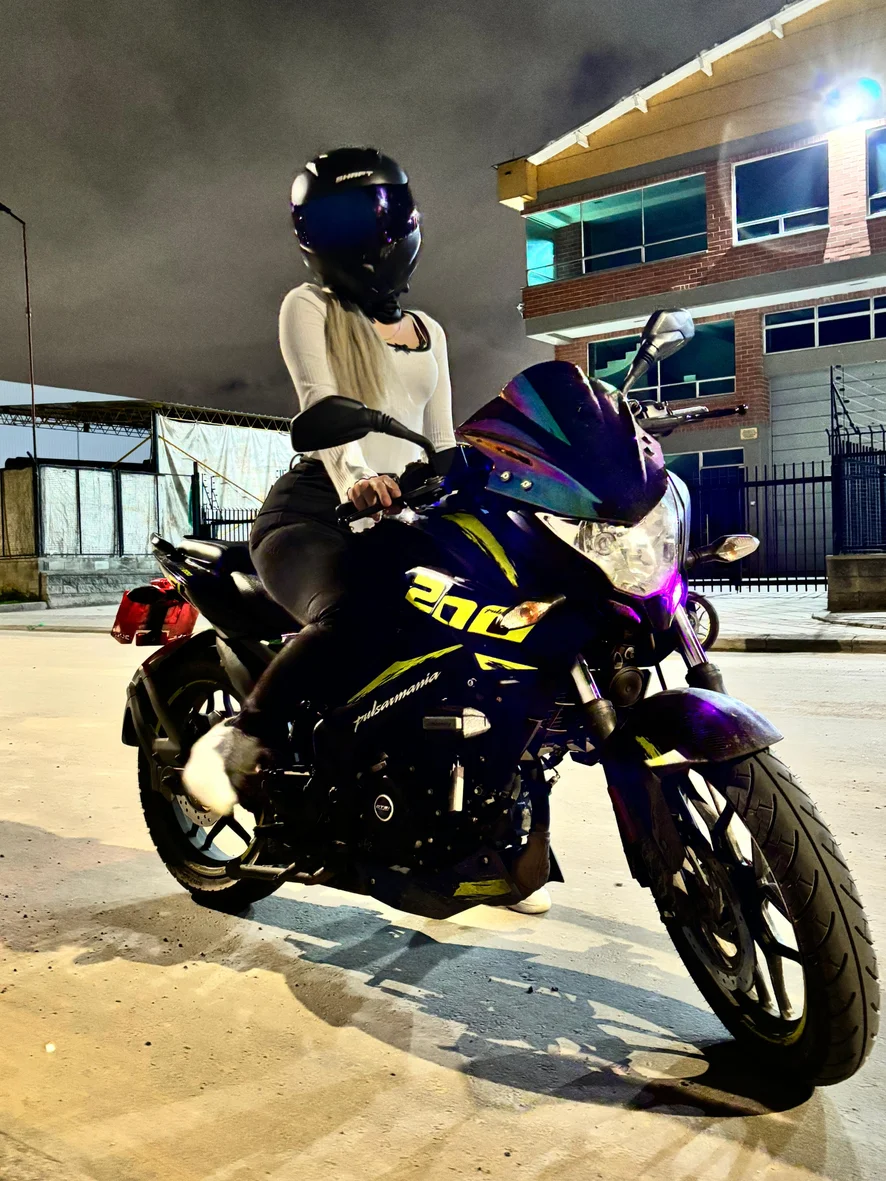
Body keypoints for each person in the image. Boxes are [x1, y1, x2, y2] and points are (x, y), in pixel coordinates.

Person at [183, 146, 550, 915]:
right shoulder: (309, 307)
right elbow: (319, 404)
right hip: (315, 511)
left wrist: (502, 481)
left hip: (401, 513)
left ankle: (494, 841)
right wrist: (357, 476)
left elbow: (442, 441)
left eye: (366, 215)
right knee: (353, 611)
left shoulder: (429, 331)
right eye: (332, 221)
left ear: (403, 220)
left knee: (494, 637)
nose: (354, 236)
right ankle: (240, 740)